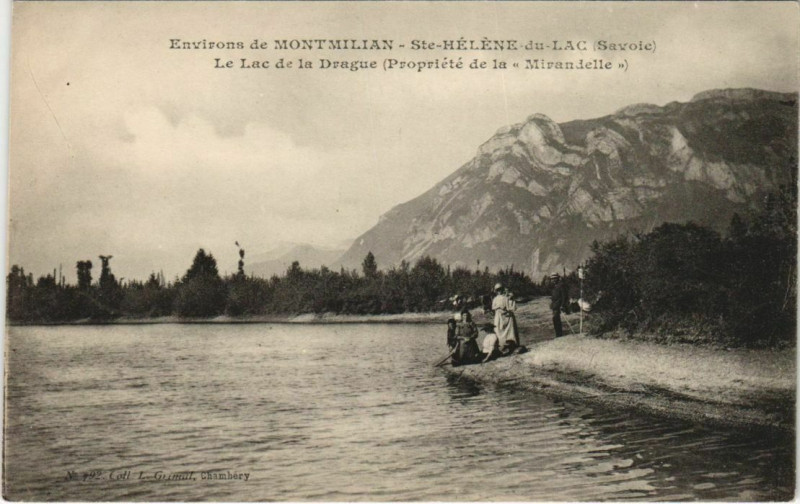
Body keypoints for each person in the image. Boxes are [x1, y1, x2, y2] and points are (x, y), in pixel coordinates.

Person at [491, 283, 519, 351]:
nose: (499, 291)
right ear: (496, 291)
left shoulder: (505, 298)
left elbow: (508, 307)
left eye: (500, 290)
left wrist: (506, 308)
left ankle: (510, 344)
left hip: (504, 315)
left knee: (508, 330)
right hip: (498, 315)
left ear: (502, 290)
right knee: (497, 329)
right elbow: (493, 307)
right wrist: (499, 307)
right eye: (497, 290)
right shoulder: (495, 299)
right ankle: (500, 345)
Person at [550, 273, 570, 338]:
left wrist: (562, 305)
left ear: (557, 279)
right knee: (555, 319)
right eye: (551, 279)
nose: (552, 280)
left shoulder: (561, 285)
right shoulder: (555, 286)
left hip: (558, 305)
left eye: (553, 279)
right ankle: (558, 334)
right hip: (554, 305)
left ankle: (559, 334)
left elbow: (564, 296)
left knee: (556, 319)